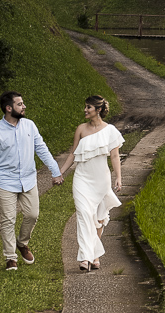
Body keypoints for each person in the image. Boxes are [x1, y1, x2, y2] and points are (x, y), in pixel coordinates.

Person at [0, 91, 64, 271]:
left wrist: (55, 171)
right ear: (9, 108)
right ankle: (10, 258)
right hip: (5, 182)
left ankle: (22, 243)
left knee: (32, 215)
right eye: (20, 104)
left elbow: (41, 149)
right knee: (8, 220)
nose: (24, 106)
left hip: (28, 180)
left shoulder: (29, 126)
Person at [57, 95, 124, 271]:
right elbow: (73, 153)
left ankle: (94, 255)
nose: (85, 110)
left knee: (98, 218)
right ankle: (85, 258)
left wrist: (118, 177)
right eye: (85, 107)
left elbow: (115, 156)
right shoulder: (81, 129)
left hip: (101, 178)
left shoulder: (110, 131)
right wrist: (60, 172)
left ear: (98, 110)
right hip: (82, 178)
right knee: (84, 214)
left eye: (89, 107)